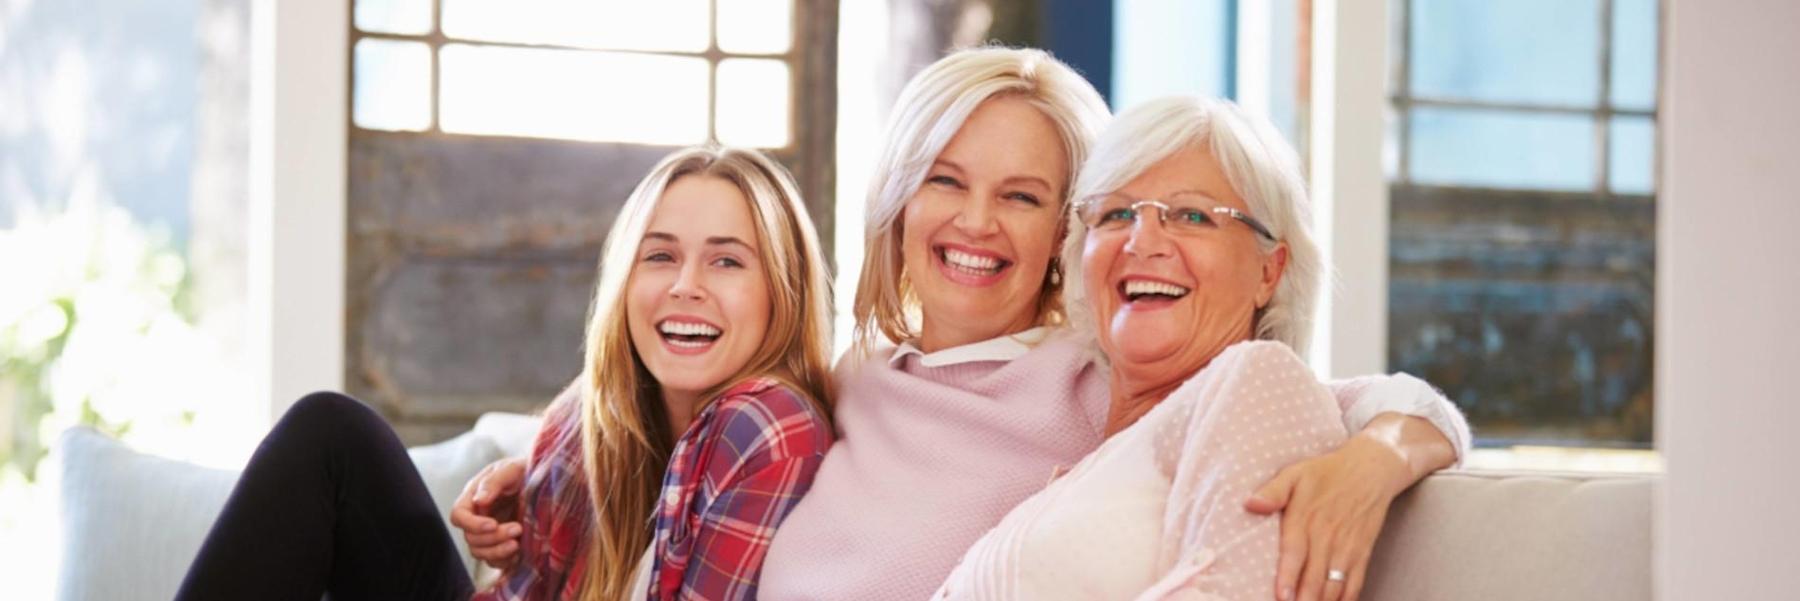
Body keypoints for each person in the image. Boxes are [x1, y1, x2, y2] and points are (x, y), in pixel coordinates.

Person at [464, 47, 1468, 601]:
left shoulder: (1099, 375)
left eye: (1023, 196)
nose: (976, 222)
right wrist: (538, 457)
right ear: (901, 204)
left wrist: (1381, 453)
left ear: (1064, 234)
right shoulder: (850, 378)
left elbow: (1354, 398)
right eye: (946, 182)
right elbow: (692, 371)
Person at [174, 145, 836, 601]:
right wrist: (532, 472)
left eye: (726, 262)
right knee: (334, 437)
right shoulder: (600, 414)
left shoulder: (768, 425)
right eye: (659, 255)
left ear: (783, 288)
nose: (685, 285)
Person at [931, 95, 1454, 600]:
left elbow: (1404, 404)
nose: (1143, 241)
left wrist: (1378, 457)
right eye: (1116, 214)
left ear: (1269, 271)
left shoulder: (1256, 386)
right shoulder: (1088, 414)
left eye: (1193, 216)